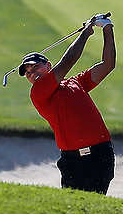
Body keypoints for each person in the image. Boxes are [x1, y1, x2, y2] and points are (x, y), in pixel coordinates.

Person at [19, 14, 116, 194]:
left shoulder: (76, 82)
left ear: (48, 65)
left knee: (96, 207)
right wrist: (86, 33)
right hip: (73, 162)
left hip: (100, 154)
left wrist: (107, 29)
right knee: (75, 212)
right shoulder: (38, 93)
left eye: (35, 67)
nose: (32, 73)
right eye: (27, 73)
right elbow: (68, 61)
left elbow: (108, 65)